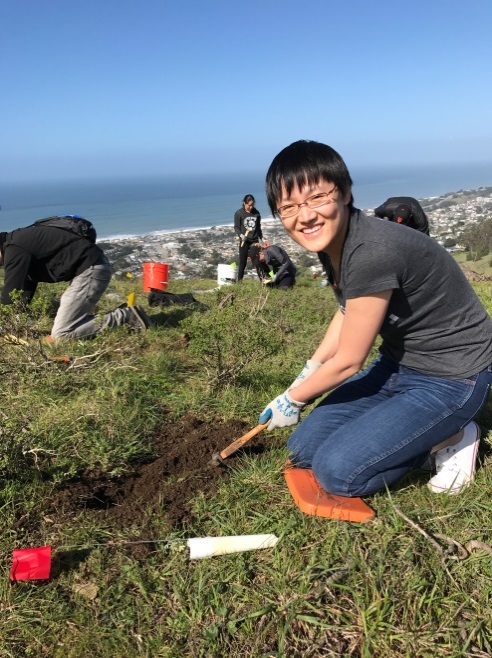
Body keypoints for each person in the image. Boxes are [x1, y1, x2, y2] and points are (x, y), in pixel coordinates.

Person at [258, 140, 492, 496]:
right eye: (289, 207)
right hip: (397, 366)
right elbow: (347, 309)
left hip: (453, 376)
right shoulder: (332, 241)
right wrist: (311, 367)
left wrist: (294, 399)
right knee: (302, 451)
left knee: (339, 475)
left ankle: (455, 436)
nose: (305, 216)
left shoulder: (370, 250)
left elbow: (350, 361)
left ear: (346, 193)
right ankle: (408, 431)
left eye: (318, 198)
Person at [0, 218, 150, 340]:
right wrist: (15, 323)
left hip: (91, 270)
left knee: (61, 334)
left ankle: (127, 316)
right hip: (90, 269)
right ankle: (107, 318)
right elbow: (23, 289)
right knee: (66, 322)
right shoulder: (17, 242)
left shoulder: (14, 249)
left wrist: (5, 321)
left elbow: (9, 295)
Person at [234, 194, 263, 281]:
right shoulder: (239, 213)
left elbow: (258, 227)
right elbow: (236, 227)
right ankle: (239, 282)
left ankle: (263, 280)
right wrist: (241, 235)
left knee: (257, 261)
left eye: (252, 205)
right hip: (244, 240)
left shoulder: (256, 213)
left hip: (254, 241)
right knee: (243, 262)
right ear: (244, 203)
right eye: (249, 205)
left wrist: (260, 238)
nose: (251, 207)